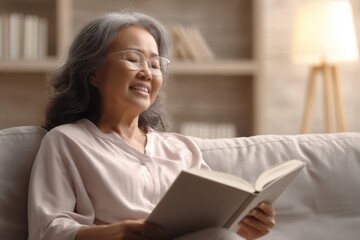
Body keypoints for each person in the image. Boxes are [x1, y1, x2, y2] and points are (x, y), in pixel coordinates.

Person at [27, 11, 275, 240]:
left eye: (155, 65)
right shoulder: (67, 141)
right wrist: (113, 233)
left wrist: (245, 226)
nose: (147, 72)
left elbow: (214, 224)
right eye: (133, 59)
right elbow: (46, 229)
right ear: (94, 73)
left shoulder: (183, 149)